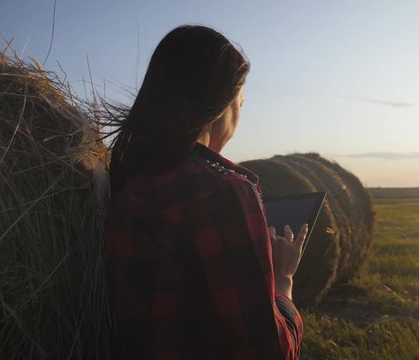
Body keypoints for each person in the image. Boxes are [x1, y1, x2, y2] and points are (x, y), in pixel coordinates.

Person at [105, 25, 307, 359]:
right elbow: (271, 352)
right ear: (222, 107)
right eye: (241, 103)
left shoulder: (129, 183)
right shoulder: (223, 193)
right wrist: (283, 280)